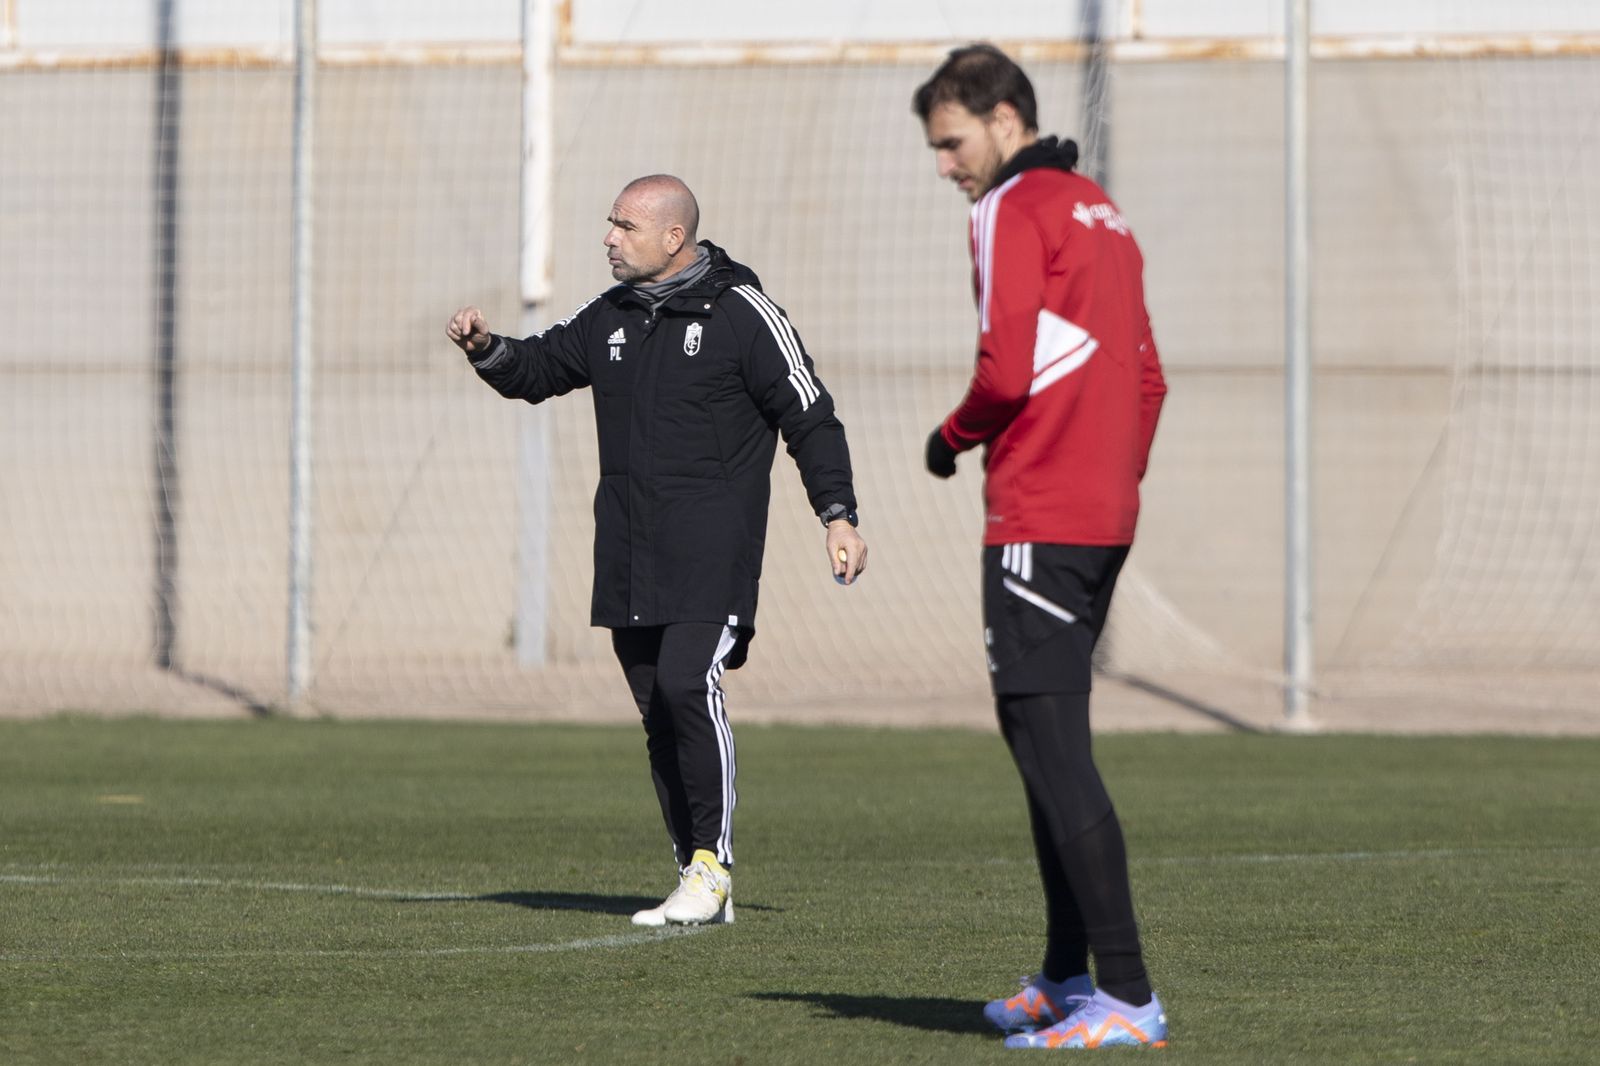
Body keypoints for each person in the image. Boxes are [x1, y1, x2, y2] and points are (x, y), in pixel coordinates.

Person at [447, 174, 867, 927]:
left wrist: (837, 515)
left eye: (625, 226)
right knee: (658, 710)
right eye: (611, 223)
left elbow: (810, 415)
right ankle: (693, 873)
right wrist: (486, 349)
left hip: (712, 549)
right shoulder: (610, 315)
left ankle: (712, 866)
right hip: (630, 550)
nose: (609, 238)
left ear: (674, 238)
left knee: (687, 684)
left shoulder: (744, 314)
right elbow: (538, 370)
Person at [913, 46, 1169, 1049]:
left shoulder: (1009, 207)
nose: (945, 166)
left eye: (951, 143)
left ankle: (1128, 997)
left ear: (1004, 119)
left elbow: (1005, 370)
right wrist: (1112, 477)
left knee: (1051, 748)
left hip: (1039, 515)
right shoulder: (1101, 209)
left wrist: (950, 439)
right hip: (1101, 514)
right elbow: (1148, 378)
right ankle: (1068, 976)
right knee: (1039, 745)